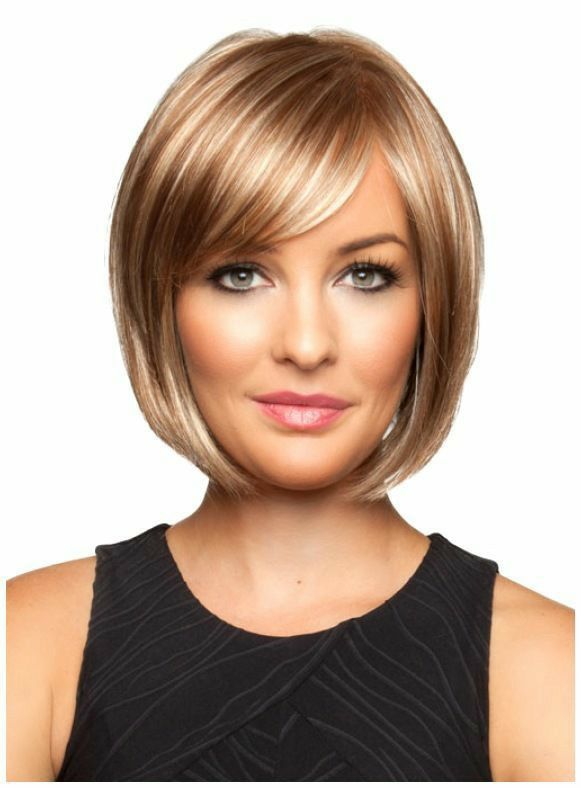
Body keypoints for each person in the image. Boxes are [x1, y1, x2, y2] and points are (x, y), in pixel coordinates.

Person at [7, 27, 574, 782]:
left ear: (434, 304)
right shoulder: (28, 643)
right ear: (161, 298)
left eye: (365, 275)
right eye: (241, 274)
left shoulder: (548, 666)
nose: (306, 345)